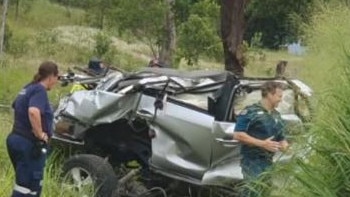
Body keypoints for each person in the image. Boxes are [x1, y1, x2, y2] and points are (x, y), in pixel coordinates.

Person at [6, 61, 59, 197]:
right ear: (51, 76)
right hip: (29, 144)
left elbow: (15, 106)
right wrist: (40, 134)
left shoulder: (28, 87)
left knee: (27, 183)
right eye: (56, 78)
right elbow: (33, 111)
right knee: (28, 186)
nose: (56, 82)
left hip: (15, 138)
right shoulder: (39, 90)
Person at [233, 81, 289, 197]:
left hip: (268, 162)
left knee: (265, 192)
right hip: (252, 161)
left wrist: (286, 147)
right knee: (253, 191)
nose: (281, 100)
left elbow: (281, 138)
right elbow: (238, 134)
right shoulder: (250, 112)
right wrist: (262, 144)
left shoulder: (276, 115)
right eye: (279, 96)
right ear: (269, 94)